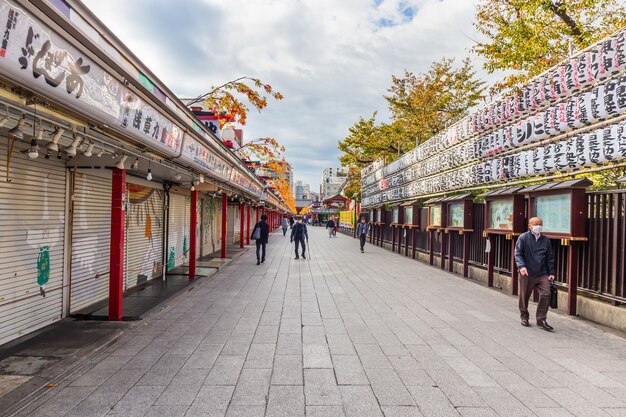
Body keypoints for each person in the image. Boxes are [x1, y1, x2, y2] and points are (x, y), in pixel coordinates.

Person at [514, 217, 555, 331]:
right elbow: (518, 253)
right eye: (536, 224)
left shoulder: (545, 240)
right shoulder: (523, 238)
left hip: (542, 273)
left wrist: (550, 272)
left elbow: (549, 257)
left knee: (546, 294)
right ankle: (524, 316)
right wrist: (521, 266)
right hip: (527, 273)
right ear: (530, 226)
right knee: (524, 296)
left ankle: (541, 319)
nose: (538, 226)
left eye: (540, 224)